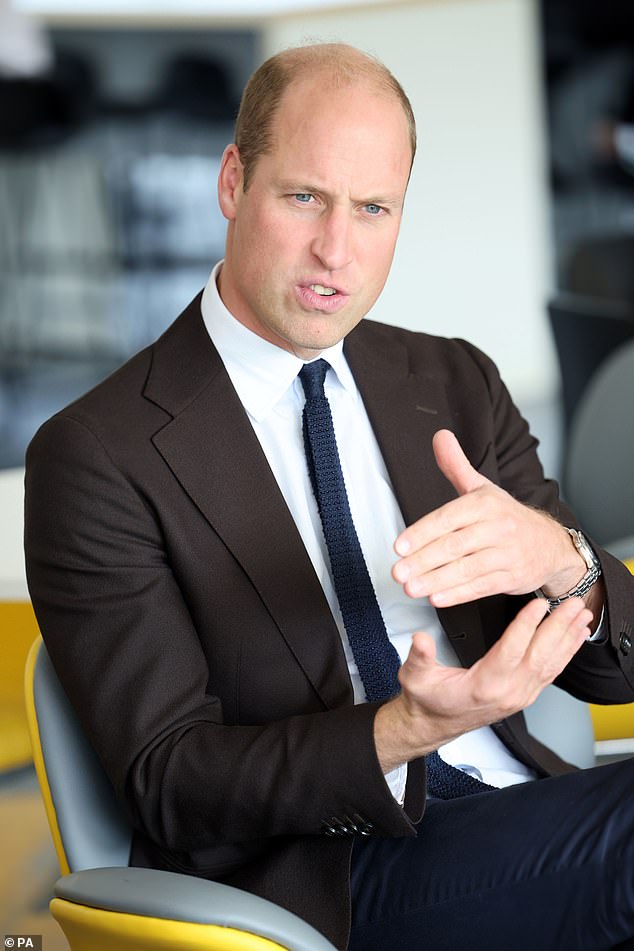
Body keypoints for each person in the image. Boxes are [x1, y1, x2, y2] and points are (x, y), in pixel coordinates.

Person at [24, 43, 634, 951]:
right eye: (304, 196)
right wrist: (402, 729)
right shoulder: (96, 455)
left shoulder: (455, 380)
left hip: (528, 820)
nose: (334, 251)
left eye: (373, 208)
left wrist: (565, 563)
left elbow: (612, 669)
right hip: (331, 878)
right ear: (234, 182)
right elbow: (168, 780)